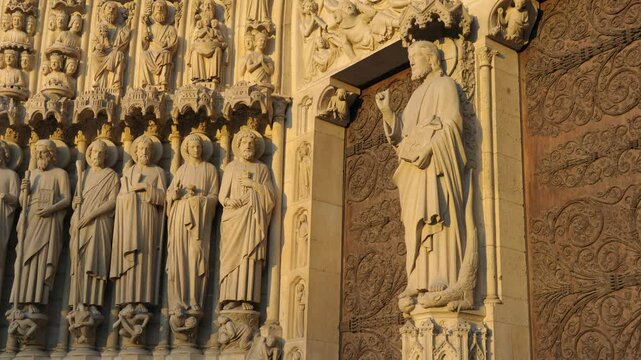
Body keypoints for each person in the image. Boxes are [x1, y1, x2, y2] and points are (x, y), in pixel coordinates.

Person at [375, 40, 476, 300]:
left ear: (431, 59)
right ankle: (418, 278)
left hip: (436, 165)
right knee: (415, 224)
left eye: (414, 58)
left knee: (438, 219)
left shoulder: (445, 86)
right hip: (415, 171)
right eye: (409, 59)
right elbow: (401, 134)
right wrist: (387, 113)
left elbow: (453, 123)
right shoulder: (416, 95)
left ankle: (444, 276)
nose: (410, 64)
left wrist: (431, 149)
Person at [218, 128, 275, 311]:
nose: (248, 146)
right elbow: (222, 196)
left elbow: (270, 197)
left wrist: (254, 185)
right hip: (233, 218)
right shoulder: (231, 168)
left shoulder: (262, 169)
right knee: (231, 257)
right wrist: (230, 201)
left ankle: (248, 297)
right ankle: (230, 297)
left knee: (250, 256)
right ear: (239, 146)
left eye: (252, 143)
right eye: (245, 143)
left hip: (253, 219)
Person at [10, 140, 70, 306]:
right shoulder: (32, 174)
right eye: (37, 154)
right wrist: (24, 190)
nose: (39, 156)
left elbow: (66, 199)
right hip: (30, 220)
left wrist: (51, 209)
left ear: (51, 155)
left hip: (48, 222)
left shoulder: (60, 174)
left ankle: (36, 300)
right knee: (23, 258)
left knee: (42, 260)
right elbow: (23, 203)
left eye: (42, 153)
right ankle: (20, 298)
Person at [166, 134, 218, 316]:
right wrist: (177, 195)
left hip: (199, 224)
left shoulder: (210, 170)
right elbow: (169, 196)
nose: (196, 150)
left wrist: (198, 200)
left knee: (196, 258)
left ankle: (195, 299)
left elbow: (214, 198)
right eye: (193, 147)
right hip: (180, 220)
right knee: (179, 258)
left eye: (199, 147)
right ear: (186, 149)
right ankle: (178, 301)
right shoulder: (180, 171)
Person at [69, 140, 119, 311]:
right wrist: (76, 203)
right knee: (80, 261)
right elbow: (76, 201)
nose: (97, 156)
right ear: (89, 155)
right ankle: (78, 301)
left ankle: (93, 303)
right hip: (81, 223)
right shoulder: (84, 175)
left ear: (106, 155)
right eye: (94, 153)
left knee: (96, 261)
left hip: (99, 223)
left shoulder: (111, 175)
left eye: (100, 153)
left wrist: (91, 214)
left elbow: (113, 201)